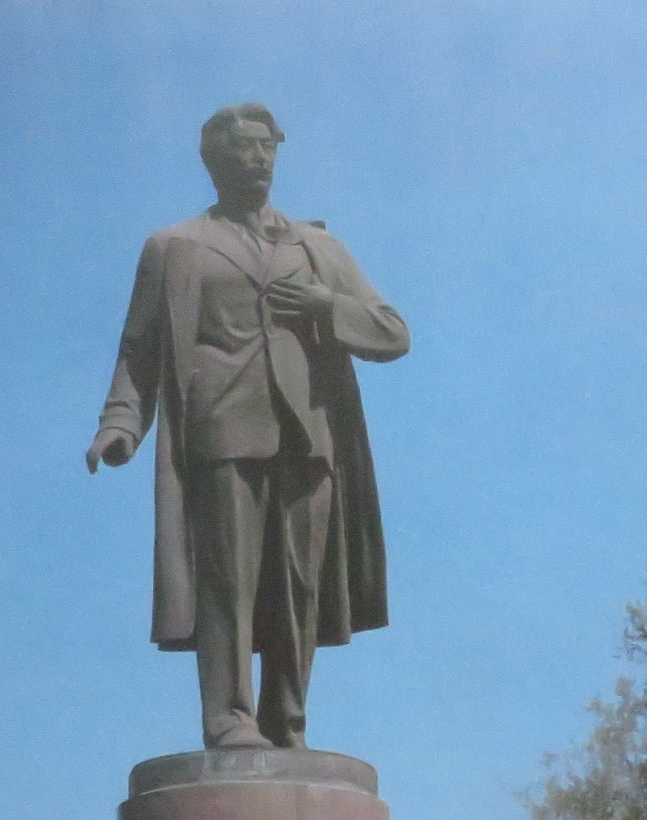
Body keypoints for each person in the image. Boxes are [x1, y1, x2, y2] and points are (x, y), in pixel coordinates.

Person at [88, 104, 409, 750]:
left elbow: (392, 332)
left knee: (300, 585)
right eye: (243, 147)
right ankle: (229, 718)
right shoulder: (175, 247)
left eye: (267, 147)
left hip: (307, 433)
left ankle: (286, 720)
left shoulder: (316, 247)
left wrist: (325, 305)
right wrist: (120, 422)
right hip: (221, 431)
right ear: (212, 160)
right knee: (228, 583)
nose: (258, 158)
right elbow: (139, 349)